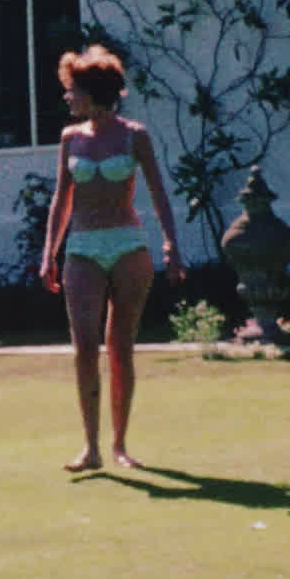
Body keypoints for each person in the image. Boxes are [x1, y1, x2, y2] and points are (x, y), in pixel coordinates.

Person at [39, 45, 183, 471]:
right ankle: (91, 448)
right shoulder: (70, 139)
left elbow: (158, 191)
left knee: (120, 347)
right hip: (83, 246)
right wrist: (49, 252)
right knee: (85, 346)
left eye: (74, 90)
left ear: (95, 91)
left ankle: (119, 444)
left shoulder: (134, 135)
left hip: (128, 245)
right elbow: (61, 200)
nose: (68, 98)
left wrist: (171, 243)